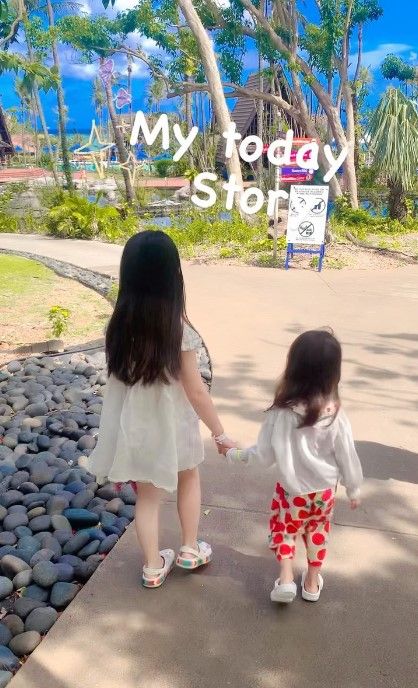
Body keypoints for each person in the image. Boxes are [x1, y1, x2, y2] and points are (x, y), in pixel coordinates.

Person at [87, 231, 233, 588]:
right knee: (189, 477)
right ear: (173, 278)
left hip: (138, 429)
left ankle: (153, 566)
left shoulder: (118, 328)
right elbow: (196, 391)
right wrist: (219, 432)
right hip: (175, 427)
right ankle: (189, 548)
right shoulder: (178, 331)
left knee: (148, 498)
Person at [219, 329, 363, 604]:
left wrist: (233, 455)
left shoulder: (281, 413)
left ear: (293, 368)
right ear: (334, 374)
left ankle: (286, 578)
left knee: (285, 528)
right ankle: (311, 582)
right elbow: (347, 455)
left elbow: (263, 456)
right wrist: (354, 488)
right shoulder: (336, 414)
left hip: (291, 492)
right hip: (323, 493)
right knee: (317, 532)